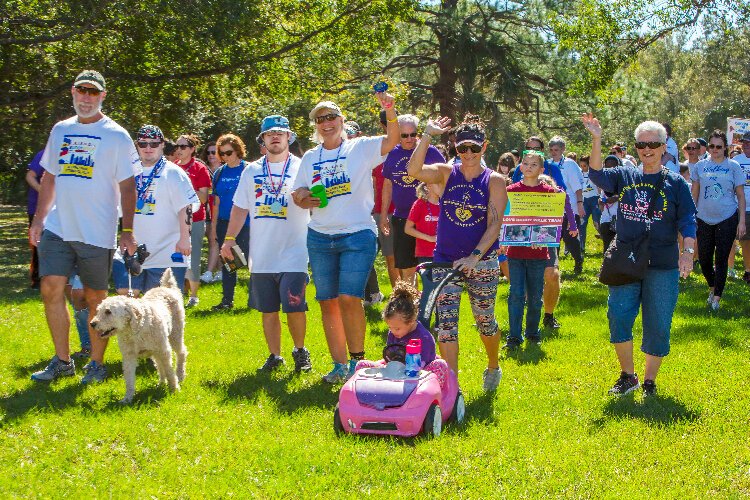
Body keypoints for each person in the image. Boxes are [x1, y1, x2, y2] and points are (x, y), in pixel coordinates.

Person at [29, 69, 139, 384]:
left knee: (95, 298)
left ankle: (96, 364)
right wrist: (39, 219)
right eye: (81, 91)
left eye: (93, 92)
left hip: (97, 230)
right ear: (73, 94)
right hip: (59, 227)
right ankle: (62, 361)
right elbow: (49, 177)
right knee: (51, 287)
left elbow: (128, 186)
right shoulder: (60, 130)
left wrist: (127, 230)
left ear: (102, 96)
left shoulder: (116, 134)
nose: (86, 98)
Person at [583, 114, 697, 397]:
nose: (647, 150)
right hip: (626, 259)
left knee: (658, 322)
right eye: (641, 144)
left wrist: (688, 253)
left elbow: (687, 220)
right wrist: (597, 139)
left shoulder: (676, 183)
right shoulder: (625, 174)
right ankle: (627, 375)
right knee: (618, 315)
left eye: (653, 144)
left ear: (664, 147)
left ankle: (649, 381)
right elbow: (596, 175)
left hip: (662, 262)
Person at [292, 95, 400, 383]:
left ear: (341, 121)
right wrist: (304, 198)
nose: (326, 123)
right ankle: (339, 366)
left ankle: (357, 362)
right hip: (320, 237)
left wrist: (389, 109)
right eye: (320, 119)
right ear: (315, 126)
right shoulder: (310, 157)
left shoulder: (360, 148)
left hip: (357, 233)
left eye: (331, 117)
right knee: (327, 301)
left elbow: (392, 140)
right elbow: (298, 192)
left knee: (349, 297)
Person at [407, 114, 507, 392]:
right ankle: (452, 387)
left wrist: (474, 256)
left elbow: (495, 223)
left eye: (474, 148)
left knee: (485, 320)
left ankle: (492, 365)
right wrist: (426, 135)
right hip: (446, 259)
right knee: (446, 325)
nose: (468, 154)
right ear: (456, 148)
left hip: (482, 260)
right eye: (462, 148)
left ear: (484, 147)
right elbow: (413, 170)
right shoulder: (446, 173)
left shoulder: (495, 181)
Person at [221, 115, 313, 373]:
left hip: (294, 251)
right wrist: (229, 239)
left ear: (288, 137)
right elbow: (239, 208)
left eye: (280, 133)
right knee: (268, 309)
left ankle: (299, 350)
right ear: (262, 139)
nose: (275, 137)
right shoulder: (251, 170)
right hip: (261, 255)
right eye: (270, 133)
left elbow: (318, 202)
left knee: (295, 305)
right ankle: (275, 356)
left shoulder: (302, 166)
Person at [112, 125, 198, 297]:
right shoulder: (126, 172)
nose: (148, 148)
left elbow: (186, 206)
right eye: (143, 144)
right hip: (131, 249)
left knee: (162, 305)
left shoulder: (173, 173)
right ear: (137, 146)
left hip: (167, 251)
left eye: (154, 144)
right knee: (126, 296)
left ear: (162, 145)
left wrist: (184, 239)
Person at [505, 153, 577, 348]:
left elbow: (553, 221)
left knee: (536, 297)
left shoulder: (550, 193)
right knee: (516, 295)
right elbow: (505, 218)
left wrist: (542, 237)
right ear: (520, 167)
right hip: (515, 253)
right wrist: (502, 240)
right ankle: (513, 336)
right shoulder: (511, 191)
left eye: (534, 164)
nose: (529, 167)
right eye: (525, 163)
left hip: (539, 254)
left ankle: (532, 333)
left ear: (542, 170)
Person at [381, 114, 445, 285]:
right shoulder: (392, 154)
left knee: (431, 267)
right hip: (402, 216)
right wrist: (383, 215)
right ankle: (412, 308)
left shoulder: (431, 151)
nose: (409, 139)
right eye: (404, 135)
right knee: (407, 268)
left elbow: (446, 179)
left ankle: (432, 302)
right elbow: (387, 185)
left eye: (413, 134)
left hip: (429, 218)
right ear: (397, 135)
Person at [352, 281, 451, 390]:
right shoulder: (393, 333)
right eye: (390, 328)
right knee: (361, 365)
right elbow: (389, 356)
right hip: (395, 369)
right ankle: (370, 391)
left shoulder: (424, 337)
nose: (393, 332)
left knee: (441, 365)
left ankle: (433, 392)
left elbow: (425, 363)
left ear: (411, 321)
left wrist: (408, 370)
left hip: (420, 374)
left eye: (397, 328)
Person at [690, 130, 746, 311]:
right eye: (712, 146)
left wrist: (742, 221)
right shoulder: (700, 166)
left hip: (727, 217)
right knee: (705, 259)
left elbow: (740, 195)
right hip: (703, 217)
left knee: (721, 260)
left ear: (725, 148)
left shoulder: (734, 166)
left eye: (719, 147)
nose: (715, 150)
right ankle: (712, 287)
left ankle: (716, 298)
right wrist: (691, 215)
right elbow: (695, 192)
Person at [211, 134, 250, 310]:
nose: (225, 156)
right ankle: (227, 301)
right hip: (224, 223)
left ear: (238, 151)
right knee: (229, 263)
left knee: (252, 261)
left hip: (247, 223)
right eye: (222, 153)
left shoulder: (248, 170)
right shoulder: (219, 173)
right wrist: (213, 227)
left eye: (229, 152)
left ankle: (255, 299)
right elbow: (216, 203)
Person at [173, 134, 212, 307]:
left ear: (192, 149)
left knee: (193, 256)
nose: (179, 150)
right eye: (177, 146)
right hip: (173, 220)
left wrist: (185, 189)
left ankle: (194, 296)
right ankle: (179, 293)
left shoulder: (199, 168)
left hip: (195, 219)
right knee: (175, 257)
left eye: (183, 147)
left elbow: (203, 198)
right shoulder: (172, 167)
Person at [406, 181, 443, 322]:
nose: (441, 186)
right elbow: (408, 228)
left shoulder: (445, 204)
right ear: (428, 186)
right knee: (429, 288)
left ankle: (441, 323)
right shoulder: (419, 204)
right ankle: (424, 321)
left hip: (442, 254)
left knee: (442, 288)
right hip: (424, 254)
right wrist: (428, 238)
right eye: (438, 184)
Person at [547, 136, 585, 273]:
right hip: (552, 208)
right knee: (554, 238)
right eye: (551, 150)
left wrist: (580, 204)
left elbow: (577, 187)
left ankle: (578, 260)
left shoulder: (569, 164)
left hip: (570, 207)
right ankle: (553, 265)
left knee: (570, 237)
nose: (553, 152)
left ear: (563, 149)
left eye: (556, 149)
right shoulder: (548, 164)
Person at [199, 140, 223, 284]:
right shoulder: (204, 169)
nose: (210, 155)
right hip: (206, 210)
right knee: (212, 240)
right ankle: (216, 270)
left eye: (214, 152)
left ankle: (218, 271)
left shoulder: (224, 170)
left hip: (221, 210)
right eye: (208, 153)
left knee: (219, 240)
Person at [732, 132, 750, 283]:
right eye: (744, 142)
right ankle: (748, 270)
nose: (746, 144)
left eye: (748, 142)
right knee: (744, 241)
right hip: (740, 207)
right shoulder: (736, 161)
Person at [25, 150, 44, 289]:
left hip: (61, 208)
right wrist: (43, 190)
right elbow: (30, 176)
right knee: (38, 242)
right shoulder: (44, 153)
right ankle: (37, 279)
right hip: (37, 207)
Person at [598, 155, 621, 251]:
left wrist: (616, 198)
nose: (610, 169)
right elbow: (601, 197)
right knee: (607, 247)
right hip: (606, 219)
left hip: (619, 219)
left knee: (618, 247)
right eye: (607, 166)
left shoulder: (623, 180)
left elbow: (626, 195)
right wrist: (601, 201)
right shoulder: (604, 181)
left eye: (613, 166)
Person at [579, 154, 601, 252]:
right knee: (582, 224)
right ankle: (581, 247)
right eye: (581, 166)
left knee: (597, 223)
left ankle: (607, 242)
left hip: (595, 199)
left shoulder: (594, 173)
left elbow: (600, 186)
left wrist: (601, 198)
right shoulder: (579, 173)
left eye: (585, 166)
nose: (583, 168)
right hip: (585, 201)